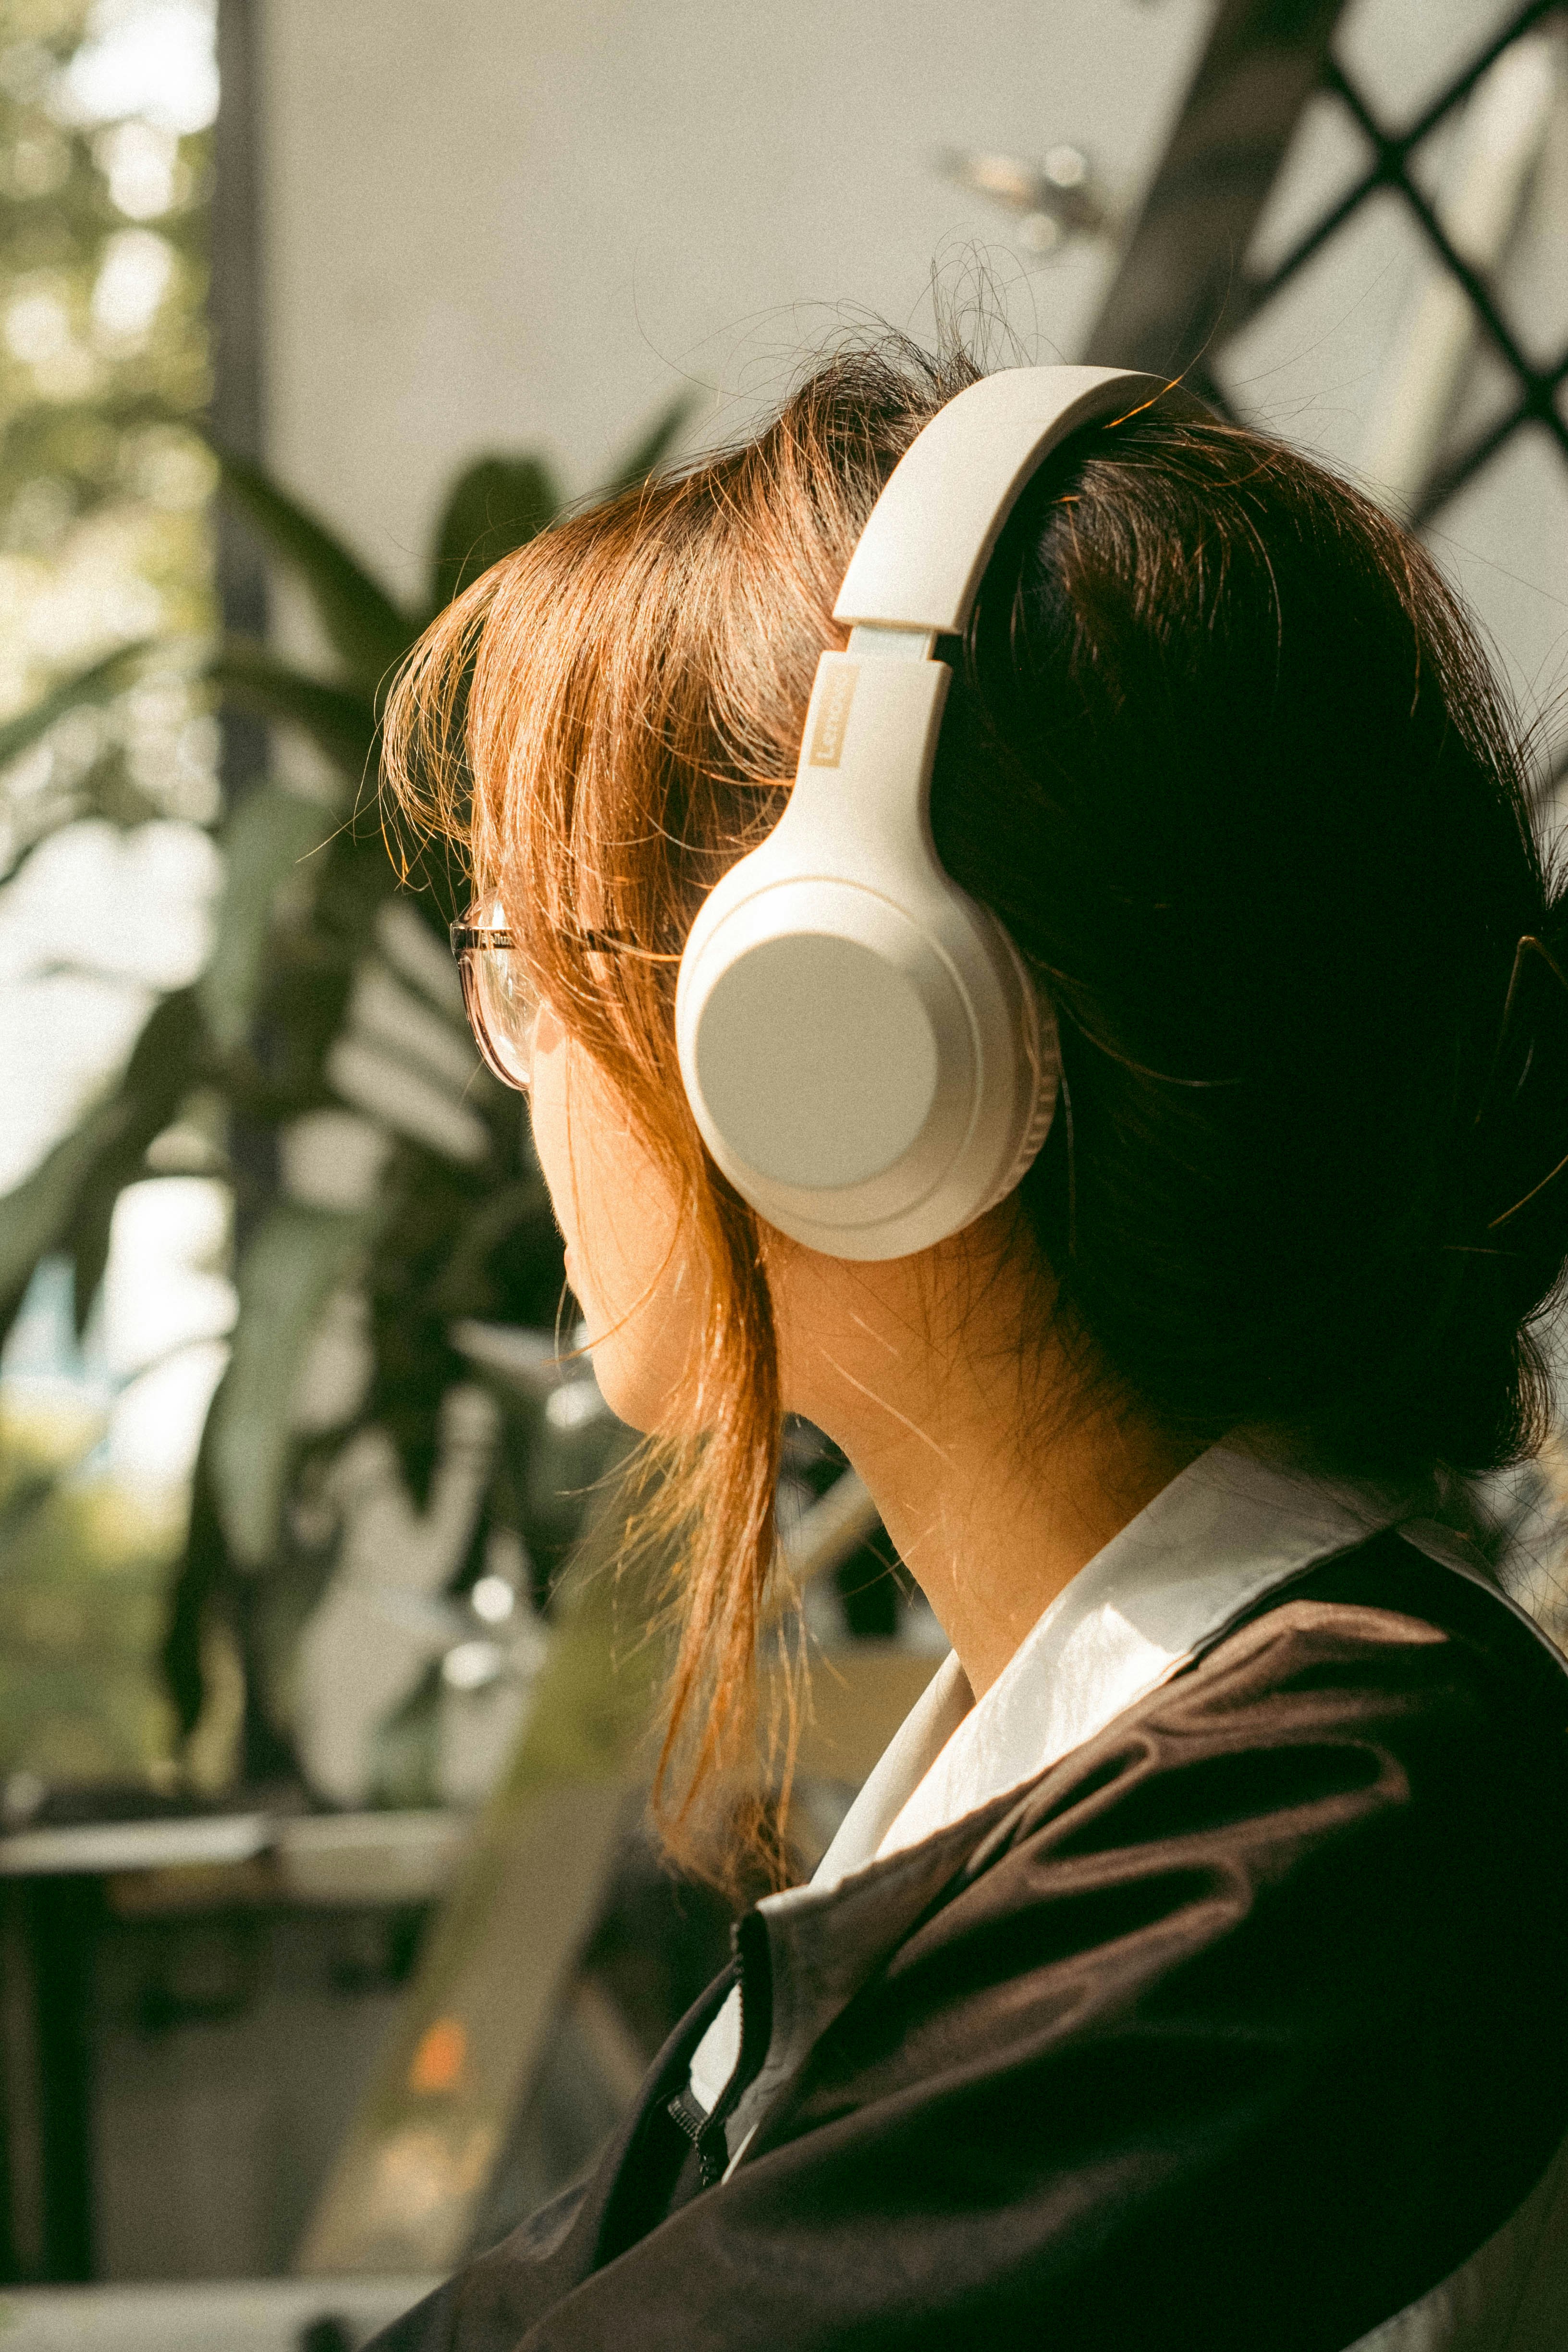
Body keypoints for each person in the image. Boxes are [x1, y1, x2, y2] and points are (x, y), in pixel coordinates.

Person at [371, 341, 1568, 2350]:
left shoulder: (1308, 1845)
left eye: (533, 959)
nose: (531, 1081)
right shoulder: (1107, 1787)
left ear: (842, 1041)